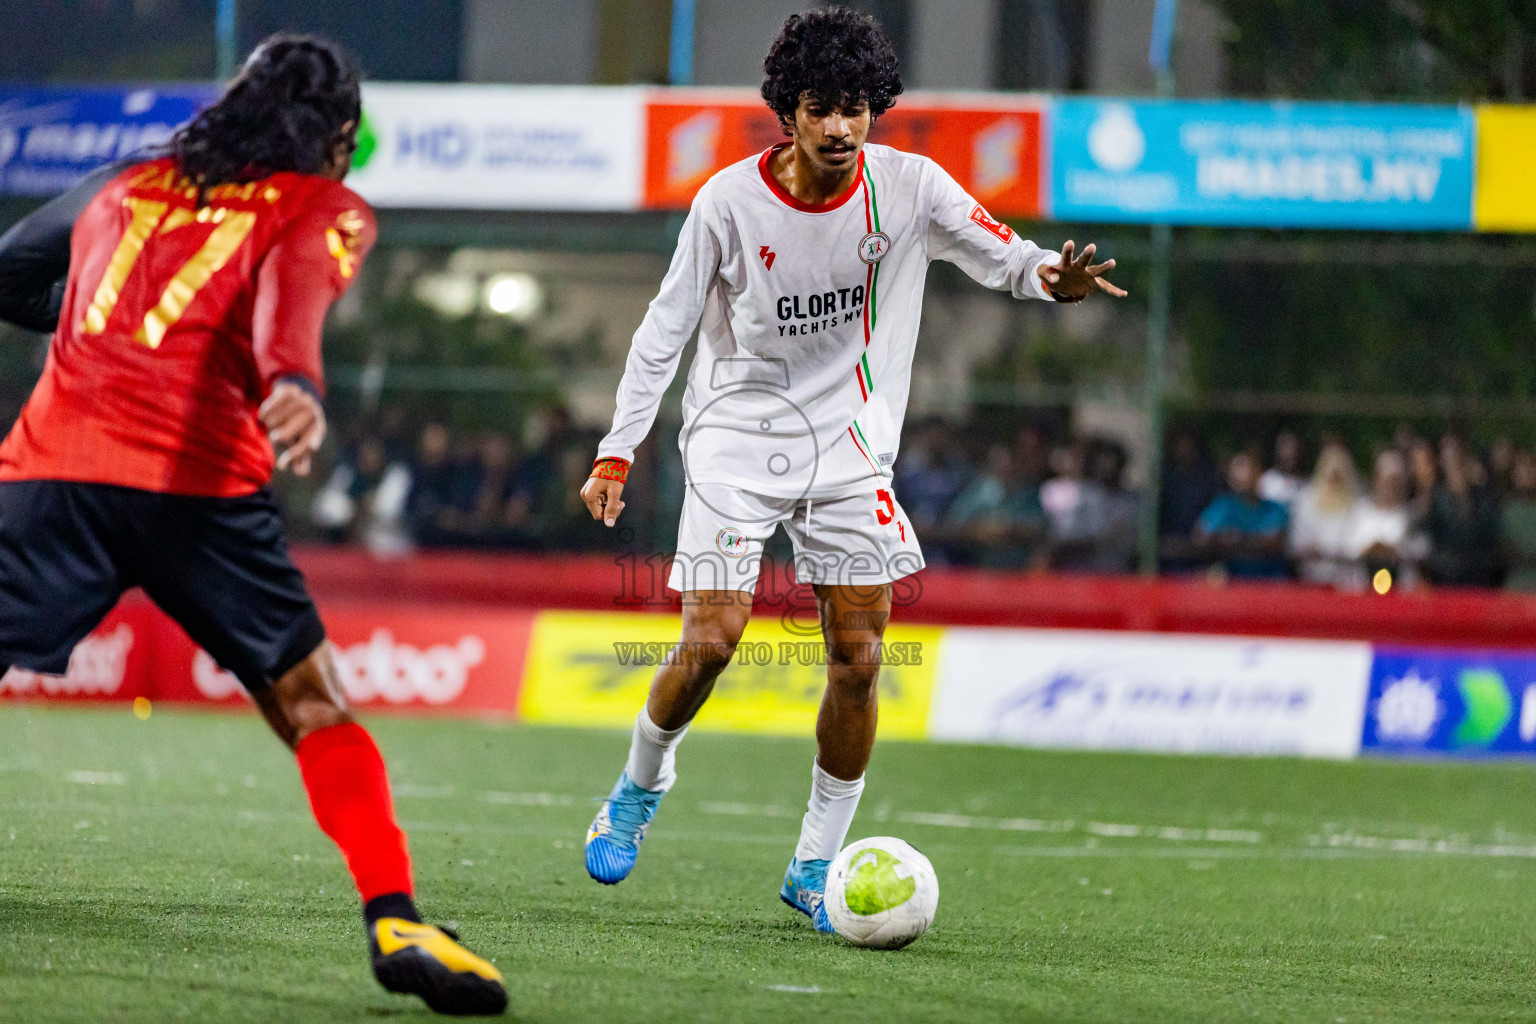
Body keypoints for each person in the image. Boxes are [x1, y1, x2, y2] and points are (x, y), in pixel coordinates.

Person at [575, 6, 1124, 931]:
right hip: (735, 440)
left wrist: (1050, 279)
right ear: (787, 112)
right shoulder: (726, 204)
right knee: (712, 640)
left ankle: (813, 867)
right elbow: (663, 330)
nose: (841, 127)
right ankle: (638, 785)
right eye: (823, 108)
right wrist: (617, 450)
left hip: (849, 450)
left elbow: (1003, 254)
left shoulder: (910, 189)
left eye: (858, 108)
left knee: (861, 660)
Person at [0, 36, 505, 1016]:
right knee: (312, 700)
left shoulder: (124, 185)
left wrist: (95, 326)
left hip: (50, 470)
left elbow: (7, 275)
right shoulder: (323, 203)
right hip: (197, 489)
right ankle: (395, 916)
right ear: (338, 140)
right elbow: (292, 303)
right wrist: (295, 386)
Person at [1194, 450, 1290, 579]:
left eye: (1249, 468)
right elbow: (1200, 536)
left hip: (1269, 582)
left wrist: (1238, 539)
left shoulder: (1275, 509)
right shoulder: (1222, 506)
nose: (1245, 474)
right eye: (1239, 468)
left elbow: (1274, 541)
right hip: (1232, 581)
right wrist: (1223, 539)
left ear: (1259, 473)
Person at [1288, 440, 1361, 587]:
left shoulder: (1357, 506)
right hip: (1310, 580)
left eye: (1338, 477)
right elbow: (1298, 540)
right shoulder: (1305, 500)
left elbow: (1356, 543)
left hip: (1345, 583)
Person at [1258, 430, 1306, 509]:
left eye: (1293, 449)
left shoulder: (1306, 484)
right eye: (1286, 449)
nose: (1290, 453)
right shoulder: (1267, 481)